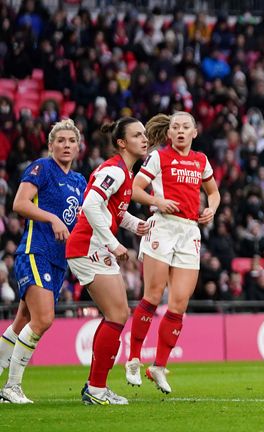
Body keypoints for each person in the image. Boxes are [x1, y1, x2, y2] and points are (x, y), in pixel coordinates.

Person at [125, 112, 219, 394]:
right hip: (162, 227)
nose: (180, 131)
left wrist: (211, 208)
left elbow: (213, 192)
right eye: (175, 127)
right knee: (153, 295)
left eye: (185, 127)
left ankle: (159, 366)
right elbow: (133, 188)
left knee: (178, 305)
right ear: (169, 134)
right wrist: (157, 201)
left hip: (190, 231)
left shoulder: (201, 160)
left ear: (194, 132)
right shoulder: (158, 157)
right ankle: (133, 359)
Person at [0, 120, 87, 404]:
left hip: (59, 260)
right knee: (44, 319)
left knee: (22, 320)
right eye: (60, 140)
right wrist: (53, 218)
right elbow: (20, 203)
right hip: (35, 249)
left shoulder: (79, 181)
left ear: (78, 146)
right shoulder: (41, 167)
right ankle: (12, 387)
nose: (65, 145)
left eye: (70, 141)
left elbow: (84, 220)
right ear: (51, 145)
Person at [65, 117, 149, 405]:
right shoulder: (115, 170)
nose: (144, 138)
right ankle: (97, 389)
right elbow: (89, 204)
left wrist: (136, 225)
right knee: (117, 314)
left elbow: (112, 210)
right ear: (122, 143)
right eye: (137, 135)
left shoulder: (123, 172)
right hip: (89, 247)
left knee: (117, 314)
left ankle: (96, 386)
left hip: (94, 247)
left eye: (145, 134)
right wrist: (113, 243)